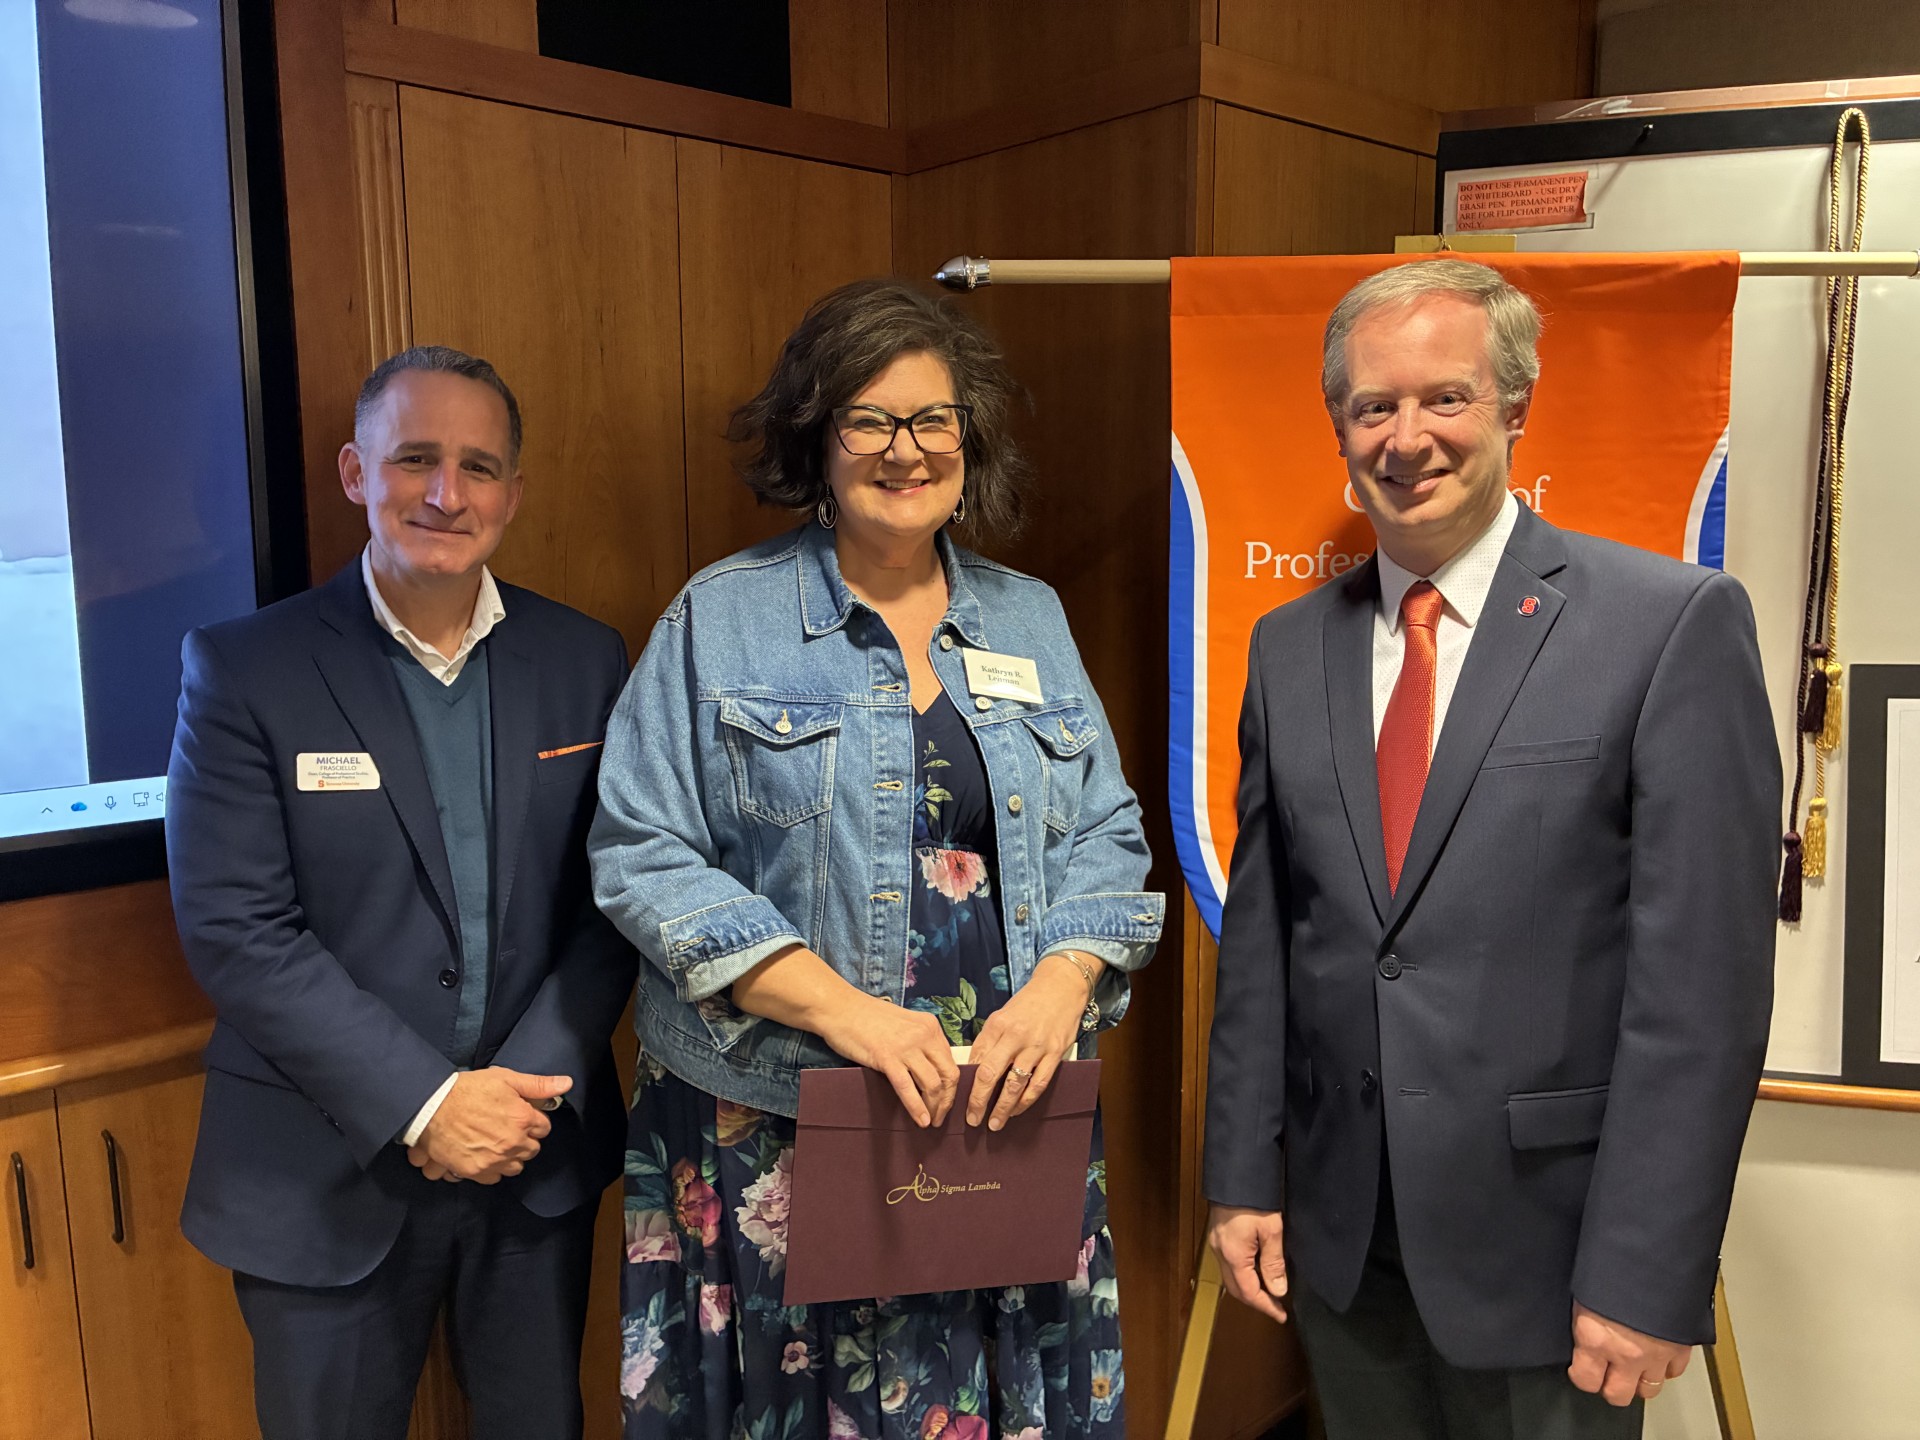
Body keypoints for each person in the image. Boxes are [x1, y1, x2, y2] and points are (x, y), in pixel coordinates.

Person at [1203, 260, 1779, 1439]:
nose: (1407, 437)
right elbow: (1264, 946)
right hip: (1344, 1245)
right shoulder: (1287, 647)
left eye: (1444, 399)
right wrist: (1243, 1180)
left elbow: (1701, 998)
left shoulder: (1667, 625)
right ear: (1340, 427)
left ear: (1517, 406)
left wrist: (1646, 1270)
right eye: (1374, 407)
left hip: (1557, 1262)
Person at [589, 279, 1162, 1439]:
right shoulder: (721, 619)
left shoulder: (1029, 619)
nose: (906, 450)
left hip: (1003, 1107)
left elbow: (1110, 834)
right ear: (818, 435)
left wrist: (1063, 986)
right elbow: (641, 852)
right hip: (781, 1118)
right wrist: (848, 1013)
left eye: (933, 419)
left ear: (970, 436)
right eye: (870, 419)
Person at [166, 345, 634, 1440]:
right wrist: (429, 1104)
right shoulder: (243, 668)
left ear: (514, 494)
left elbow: (617, 901)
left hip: (534, 1155)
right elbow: (237, 929)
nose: (445, 492)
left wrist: (520, 1096)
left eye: (478, 467)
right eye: (415, 458)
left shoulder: (586, 658)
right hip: (320, 1172)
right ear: (353, 472)